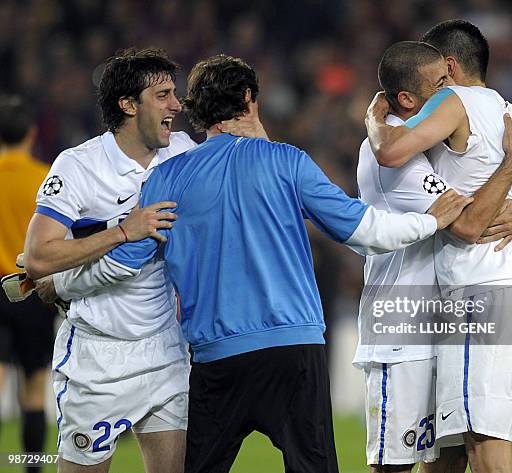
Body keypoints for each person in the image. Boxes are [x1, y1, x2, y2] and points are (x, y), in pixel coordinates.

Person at [42, 54, 473, 473]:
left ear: (196, 110)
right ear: (249, 100)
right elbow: (368, 232)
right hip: (293, 351)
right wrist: (428, 221)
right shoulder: (286, 161)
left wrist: (61, 285)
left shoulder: (167, 178)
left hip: (217, 360)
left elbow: (123, 264)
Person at [365, 20, 512, 473]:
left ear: (447, 67)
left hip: (480, 294)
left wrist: (373, 115)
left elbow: (389, 153)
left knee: (486, 455)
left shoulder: (453, 101)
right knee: (498, 450)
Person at [354, 41, 512, 473]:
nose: (453, 89)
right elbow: (467, 220)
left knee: (452, 459)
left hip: (443, 322)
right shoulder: (394, 159)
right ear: (407, 99)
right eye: (441, 83)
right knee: (394, 465)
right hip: (401, 330)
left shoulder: (434, 144)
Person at [23, 48, 198, 473]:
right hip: (99, 357)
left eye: (175, 94)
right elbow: (37, 257)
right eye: (163, 95)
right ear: (128, 105)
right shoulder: (80, 166)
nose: (177, 105)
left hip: (165, 349)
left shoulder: (183, 151)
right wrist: (123, 231)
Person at [0, 95, 57, 473]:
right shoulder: (45, 179)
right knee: (35, 388)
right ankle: (32, 468)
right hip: (31, 290)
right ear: (32, 133)